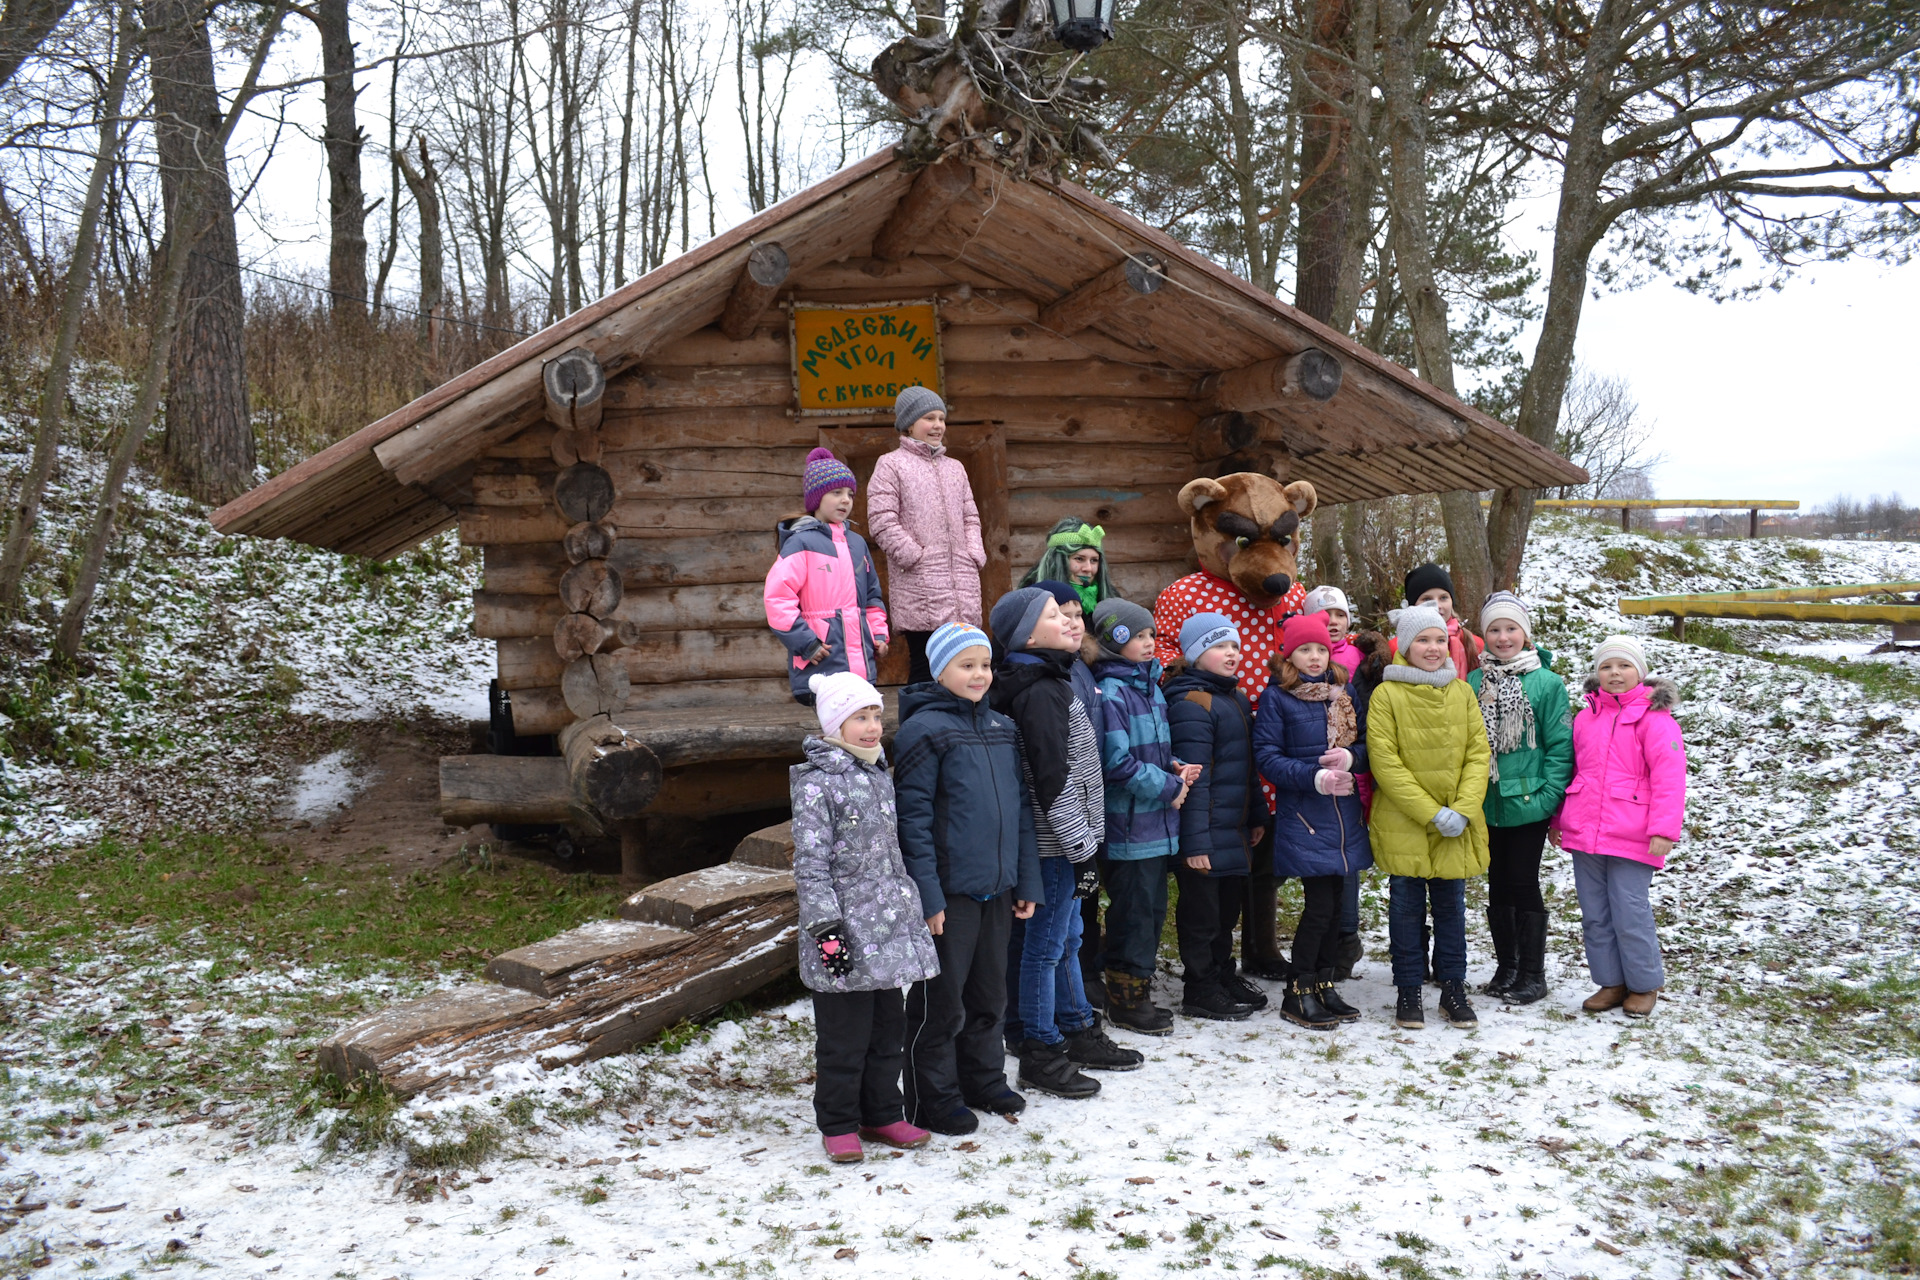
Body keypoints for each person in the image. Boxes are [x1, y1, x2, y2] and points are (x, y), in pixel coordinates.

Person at [989, 588, 1141, 1097]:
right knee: (1046, 948)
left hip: (1067, 843)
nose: (1070, 623)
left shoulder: (1051, 679)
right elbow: (1050, 779)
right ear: (1028, 635)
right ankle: (1040, 1048)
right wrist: (1083, 849)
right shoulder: (1039, 690)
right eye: (1055, 616)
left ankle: (1075, 1025)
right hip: (1057, 847)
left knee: (1069, 938)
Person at [893, 623, 1042, 1133]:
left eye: (984, 664)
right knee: (943, 1001)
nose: (979, 674)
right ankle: (930, 1096)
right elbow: (912, 821)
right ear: (939, 670)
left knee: (989, 995)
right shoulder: (924, 730)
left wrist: (1026, 881)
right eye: (966, 665)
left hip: (997, 888)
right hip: (950, 893)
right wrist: (928, 896)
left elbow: (1022, 809)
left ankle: (983, 1078)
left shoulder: (1003, 728)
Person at [790, 671, 941, 1164]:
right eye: (860, 717)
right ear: (835, 724)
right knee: (844, 1039)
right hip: (843, 937)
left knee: (886, 1033)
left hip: (888, 932)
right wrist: (827, 935)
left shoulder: (878, 774)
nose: (873, 726)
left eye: (876, 715)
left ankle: (881, 1112)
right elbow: (811, 867)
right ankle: (837, 1122)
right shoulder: (818, 786)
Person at [1365, 605, 1490, 1031]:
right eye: (1423, 640)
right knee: (1405, 907)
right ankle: (1408, 989)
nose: (1433, 648)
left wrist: (1462, 809)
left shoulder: (1462, 693)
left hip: (1455, 819)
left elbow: (1478, 754)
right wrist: (1430, 811)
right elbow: (1385, 761)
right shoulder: (1387, 695)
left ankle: (1453, 988)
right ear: (1405, 646)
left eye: (1439, 639)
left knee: (1451, 907)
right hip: (1407, 821)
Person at [1553, 635, 1686, 1020]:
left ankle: (1643, 984)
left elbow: (1669, 777)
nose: (1615, 673)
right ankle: (1610, 981)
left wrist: (1664, 829)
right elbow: (1574, 772)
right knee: (1595, 911)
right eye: (1607, 666)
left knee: (1629, 910)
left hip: (1634, 831)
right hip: (1586, 830)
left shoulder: (1656, 721)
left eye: (1624, 666)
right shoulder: (1585, 717)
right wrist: (1559, 819)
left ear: (1640, 673)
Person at [1254, 613, 1373, 1029]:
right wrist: (1315, 776)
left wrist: (1351, 757)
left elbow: (1363, 742)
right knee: (1320, 907)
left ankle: (1323, 984)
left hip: (1344, 816)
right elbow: (1267, 757)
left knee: (1339, 906)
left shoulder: (1341, 693)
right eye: (1305, 649)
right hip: (1306, 816)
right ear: (1290, 654)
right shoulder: (1278, 697)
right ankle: (1298, 989)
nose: (1315, 656)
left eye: (1321, 648)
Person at [1089, 598, 1198, 1036]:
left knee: (1151, 910)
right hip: (1129, 827)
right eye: (1137, 636)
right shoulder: (1112, 692)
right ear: (1115, 641)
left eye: (1151, 634)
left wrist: (1172, 765)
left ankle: (1138, 989)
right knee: (1134, 913)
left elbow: (1149, 751)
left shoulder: (1149, 687)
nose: (1149, 643)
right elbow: (1114, 763)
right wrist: (1170, 787)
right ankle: (1125, 1000)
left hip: (1154, 825)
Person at [1466, 592, 1573, 1005]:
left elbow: (1560, 746)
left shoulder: (1546, 682)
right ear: (1485, 635)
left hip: (1529, 801)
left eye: (1511, 629)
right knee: (1497, 884)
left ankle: (1533, 973)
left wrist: (1548, 797)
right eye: (1495, 629)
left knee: (1523, 881)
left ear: (1525, 635)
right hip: (1487, 801)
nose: (1503, 637)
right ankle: (1506, 965)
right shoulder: (1475, 682)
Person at [1164, 614, 1269, 1021]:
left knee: (1226, 911)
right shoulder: (1192, 703)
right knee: (1202, 915)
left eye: (1235, 646)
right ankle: (1200, 986)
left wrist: (1256, 814)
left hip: (1233, 828)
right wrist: (1194, 844)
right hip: (1204, 833)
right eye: (1219, 647)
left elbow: (1246, 767)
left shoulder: (1234, 698)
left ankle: (1222, 973)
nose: (1232, 654)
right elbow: (1195, 779)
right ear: (1194, 654)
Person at [867, 387, 989, 684]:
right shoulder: (891, 464)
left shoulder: (955, 468)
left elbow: (971, 517)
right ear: (909, 424)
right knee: (925, 668)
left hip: (963, 583)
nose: (938, 426)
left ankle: (958, 728)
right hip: (920, 586)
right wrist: (915, 557)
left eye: (942, 418)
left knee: (962, 665)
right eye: (929, 418)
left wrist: (974, 554)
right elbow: (881, 520)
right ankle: (918, 729)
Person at [764, 448, 889, 704]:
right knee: (833, 732)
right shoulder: (801, 543)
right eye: (836, 493)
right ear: (816, 498)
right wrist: (807, 643)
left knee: (858, 728)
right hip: (820, 662)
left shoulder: (857, 544)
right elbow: (777, 599)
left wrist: (878, 634)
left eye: (850, 494)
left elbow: (872, 597)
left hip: (860, 665)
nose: (846, 500)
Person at [1301, 584, 1375, 978]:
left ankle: (1346, 938)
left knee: (1348, 868)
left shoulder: (1362, 663)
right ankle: (1328, 943)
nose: (1332, 624)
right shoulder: (1301, 664)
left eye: (1340, 616)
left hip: (1356, 780)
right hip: (1317, 785)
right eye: (1323, 616)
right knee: (1325, 872)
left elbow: (1367, 726)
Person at [1390, 564, 1483, 678]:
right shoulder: (1397, 647)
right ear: (1413, 605)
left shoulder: (1474, 643)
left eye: (1443, 598)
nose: (1437, 605)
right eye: (1427, 599)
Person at [1020, 520, 1111, 615]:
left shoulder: (1109, 597)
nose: (1088, 568)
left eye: (1094, 560)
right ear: (1057, 561)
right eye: (1079, 559)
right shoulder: (1031, 601)